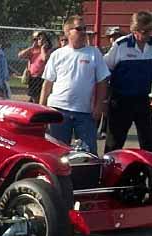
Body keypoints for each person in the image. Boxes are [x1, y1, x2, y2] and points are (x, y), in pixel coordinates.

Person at [40, 15, 110, 154]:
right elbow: (47, 84)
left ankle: (87, 176)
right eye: (79, 29)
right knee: (56, 153)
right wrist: (42, 111)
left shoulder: (94, 53)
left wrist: (99, 106)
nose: (83, 32)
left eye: (85, 29)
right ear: (68, 31)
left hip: (84, 113)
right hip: (58, 110)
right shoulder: (57, 54)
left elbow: (102, 82)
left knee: (89, 153)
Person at [103, 11, 152, 154]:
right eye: (144, 31)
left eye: (150, 30)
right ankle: (108, 174)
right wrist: (104, 99)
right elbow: (105, 72)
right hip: (121, 100)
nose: (148, 34)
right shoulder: (121, 45)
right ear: (134, 30)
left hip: (142, 99)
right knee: (115, 142)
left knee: (149, 142)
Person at [98, 26, 125, 139]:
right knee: (100, 104)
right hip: (104, 82)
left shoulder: (123, 51)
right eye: (112, 37)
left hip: (115, 83)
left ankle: (105, 130)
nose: (114, 39)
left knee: (110, 109)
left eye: (117, 37)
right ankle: (95, 128)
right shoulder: (104, 50)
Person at [18, 31, 53, 102]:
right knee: (34, 97)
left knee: (39, 98)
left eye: (43, 39)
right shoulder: (33, 50)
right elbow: (20, 55)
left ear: (47, 41)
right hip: (33, 77)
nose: (40, 41)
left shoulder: (49, 50)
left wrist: (43, 48)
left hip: (42, 77)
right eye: (39, 39)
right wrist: (31, 47)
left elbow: (45, 59)